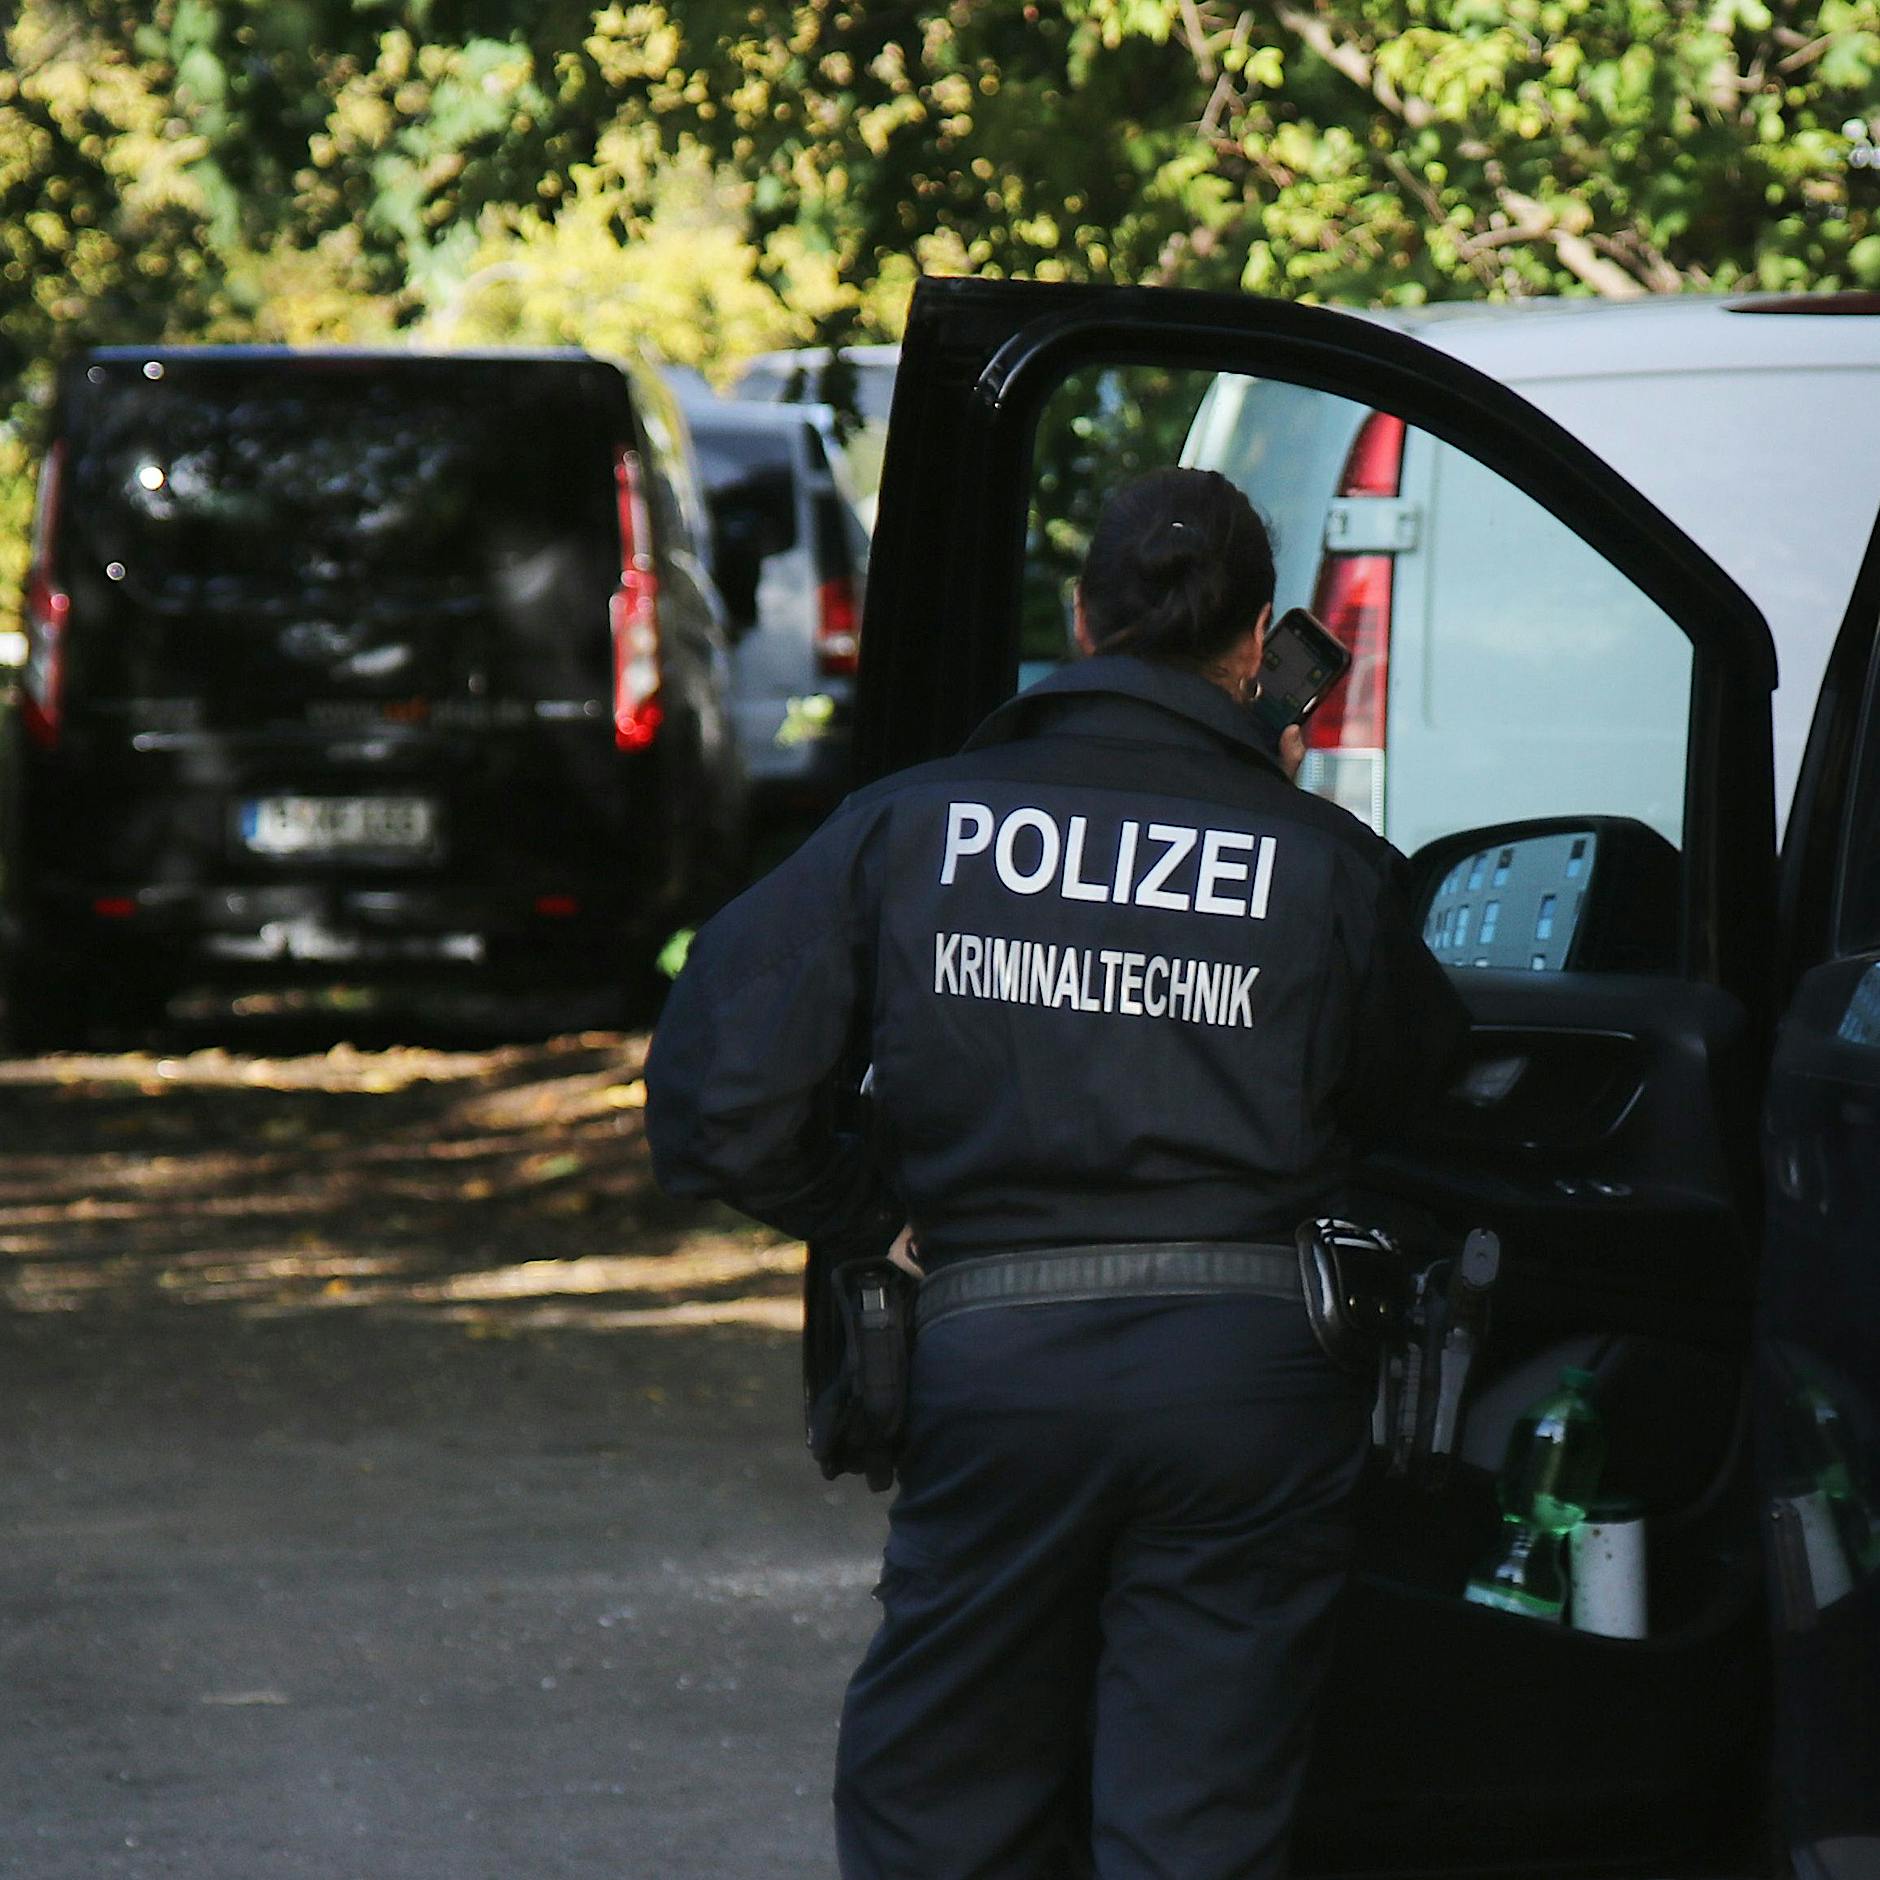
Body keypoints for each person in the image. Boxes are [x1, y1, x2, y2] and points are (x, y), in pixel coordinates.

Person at [645, 465, 1468, 1878]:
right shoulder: (1324, 862)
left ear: (1083, 620)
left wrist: (868, 1216)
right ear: (1257, 641)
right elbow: (1415, 1096)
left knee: (940, 1798)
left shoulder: (913, 826)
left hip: (996, 1369)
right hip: (1250, 1388)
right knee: (1198, 1821)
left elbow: (720, 1098)